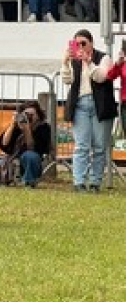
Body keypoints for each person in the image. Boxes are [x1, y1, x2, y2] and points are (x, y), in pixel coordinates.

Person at [61, 30, 115, 192]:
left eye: (83, 43)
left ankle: (95, 182)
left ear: (91, 43)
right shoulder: (74, 60)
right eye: (77, 44)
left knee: (99, 146)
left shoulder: (104, 57)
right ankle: (78, 181)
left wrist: (89, 62)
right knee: (81, 145)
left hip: (101, 104)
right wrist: (65, 62)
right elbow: (67, 80)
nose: (81, 47)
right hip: (80, 104)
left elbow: (101, 77)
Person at [0, 100, 52, 187]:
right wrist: (12, 125)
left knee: (29, 156)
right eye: (26, 114)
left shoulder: (43, 128)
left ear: (38, 116)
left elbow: (33, 148)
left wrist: (27, 130)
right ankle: (7, 178)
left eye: (31, 115)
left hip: (31, 161)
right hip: (12, 161)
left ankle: (28, 182)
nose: (28, 117)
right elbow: (4, 144)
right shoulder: (17, 126)